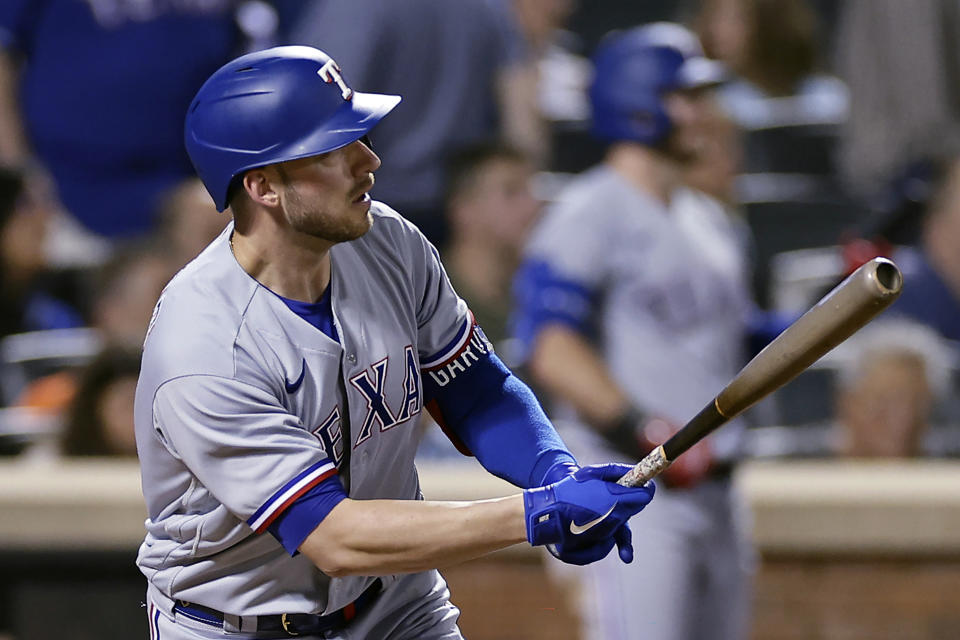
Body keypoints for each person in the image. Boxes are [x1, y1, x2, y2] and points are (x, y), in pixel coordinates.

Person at [135, 45, 656, 639]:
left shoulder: (388, 242)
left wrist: (555, 476)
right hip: (236, 621)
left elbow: (477, 391)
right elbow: (332, 535)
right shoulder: (203, 349)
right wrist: (536, 516)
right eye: (334, 149)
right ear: (263, 187)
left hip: (394, 603)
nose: (369, 159)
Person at [512, 24, 754, 640]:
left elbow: (732, 344)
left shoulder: (710, 219)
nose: (703, 113)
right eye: (687, 96)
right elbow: (550, 343)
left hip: (720, 488)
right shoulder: (590, 209)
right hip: (633, 489)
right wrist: (644, 431)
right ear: (640, 102)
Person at [289, 0, 535, 247]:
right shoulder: (489, 7)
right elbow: (522, 120)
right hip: (458, 210)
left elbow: (319, 107)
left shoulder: (356, 7)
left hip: (373, 209)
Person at [832, 318, 953, 458]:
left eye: (916, 405)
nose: (902, 421)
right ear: (849, 402)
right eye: (882, 402)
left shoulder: (950, 469)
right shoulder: (806, 464)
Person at [61, 345, 142, 457]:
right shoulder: (52, 466)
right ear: (95, 409)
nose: (134, 418)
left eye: (144, 408)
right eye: (126, 406)